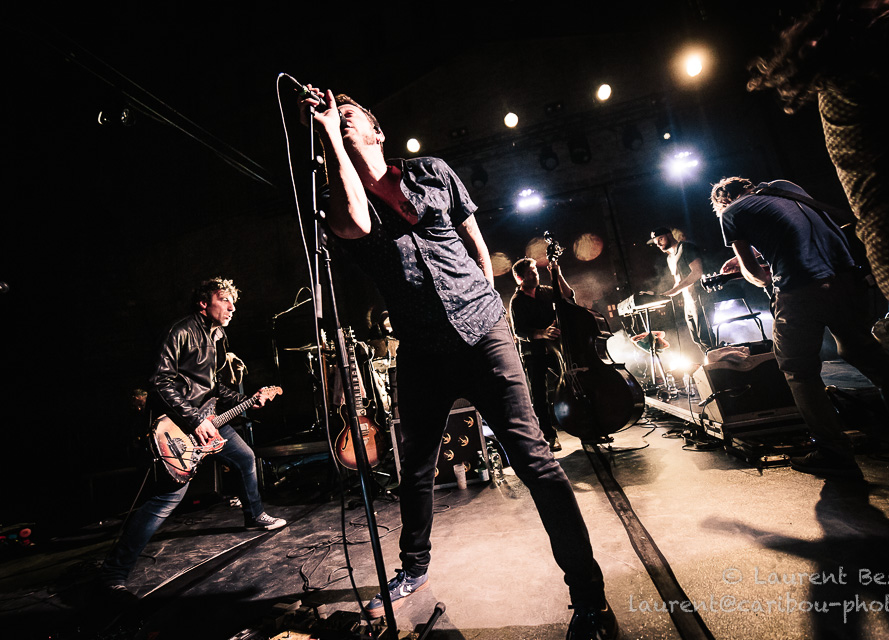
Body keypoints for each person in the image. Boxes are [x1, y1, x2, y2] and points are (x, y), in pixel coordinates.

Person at [299, 88, 617, 639]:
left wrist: (484, 298)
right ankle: (414, 568)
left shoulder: (428, 172)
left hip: (482, 331)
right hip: (422, 348)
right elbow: (354, 223)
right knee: (415, 467)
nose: (342, 119)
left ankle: (589, 596)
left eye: (350, 116)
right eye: (336, 118)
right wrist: (329, 134)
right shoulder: (337, 195)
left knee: (534, 460)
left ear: (377, 132)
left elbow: (471, 235)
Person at [745, 1, 889, 347]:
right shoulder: (888, 35)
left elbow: (756, 274)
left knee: (804, 359)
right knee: (854, 348)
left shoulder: (849, 65)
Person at [710, 176, 889, 478]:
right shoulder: (785, 187)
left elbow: (758, 276)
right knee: (868, 354)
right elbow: (799, 231)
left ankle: (833, 451)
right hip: (846, 279)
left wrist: (747, 268)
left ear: (722, 202)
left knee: (798, 369)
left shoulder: (731, 213)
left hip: (801, 288)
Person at [100, 277, 286, 597]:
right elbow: (160, 382)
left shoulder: (216, 336)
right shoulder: (180, 331)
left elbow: (211, 386)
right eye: (224, 299)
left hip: (207, 418)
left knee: (245, 458)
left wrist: (248, 399)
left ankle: (254, 516)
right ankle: (113, 573)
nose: (232, 307)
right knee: (167, 498)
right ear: (203, 303)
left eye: (234, 302)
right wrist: (194, 419)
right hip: (180, 423)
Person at [508, 257, 574, 452]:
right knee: (539, 396)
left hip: (556, 349)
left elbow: (569, 296)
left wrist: (557, 274)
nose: (535, 275)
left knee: (572, 381)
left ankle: (580, 422)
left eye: (535, 272)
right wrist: (542, 333)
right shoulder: (517, 301)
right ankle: (549, 436)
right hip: (533, 353)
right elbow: (519, 332)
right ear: (519, 278)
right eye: (530, 273)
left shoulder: (545, 291)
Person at [648, 227, 714, 353]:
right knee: (696, 339)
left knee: (705, 337)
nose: (658, 244)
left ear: (669, 235)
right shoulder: (670, 258)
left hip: (700, 297)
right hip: (688, 301)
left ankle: (719, 360)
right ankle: (711, 359)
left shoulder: (686, 248)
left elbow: (697, 272)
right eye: (656, 242)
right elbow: (678, 282)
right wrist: (664, 295)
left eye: (660, 239)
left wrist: (674, 291)